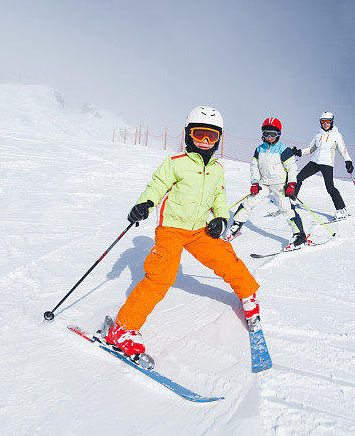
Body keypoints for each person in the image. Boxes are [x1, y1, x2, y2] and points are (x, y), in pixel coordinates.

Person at [101, 106, 262, 360]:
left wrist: (220, 217)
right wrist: (145, 203)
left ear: (219, 138)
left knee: (226, 259)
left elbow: (219, 195)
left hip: (199, 230)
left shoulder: (218, 169)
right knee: (161, 276)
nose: (205, 141)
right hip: (171, 230)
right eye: (200, 134)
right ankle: (123, 328)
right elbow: (157, 185)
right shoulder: (175, 164)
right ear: (188, 135)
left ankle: (248, 295)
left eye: (211, 136)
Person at [227, 117, 309, 250]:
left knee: (285, 208)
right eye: (266, 134)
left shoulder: (284, 149)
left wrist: (292, 183)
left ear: (278, 135)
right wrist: (254, 182)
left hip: (279, 184)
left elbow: (292, 168)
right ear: (262, 134)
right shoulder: (259, 149)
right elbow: (254, 167)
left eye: (273, 134)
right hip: (263, 183)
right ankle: (237, 224)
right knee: (249, 202)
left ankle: (300, 235)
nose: (269, 137)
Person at [292, 111, 354, 220]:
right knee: (299, 177)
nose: (325, 124)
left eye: (328, 121)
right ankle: (292, 199)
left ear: (331, 122)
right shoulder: (318, 135)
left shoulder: (336, 135)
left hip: (327, 164)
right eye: (323, 121)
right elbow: (310, 149)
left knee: (330, 187)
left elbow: (343, 150)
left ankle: (341, 209)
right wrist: (299, 152)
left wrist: (348, 161)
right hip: (315, 162)